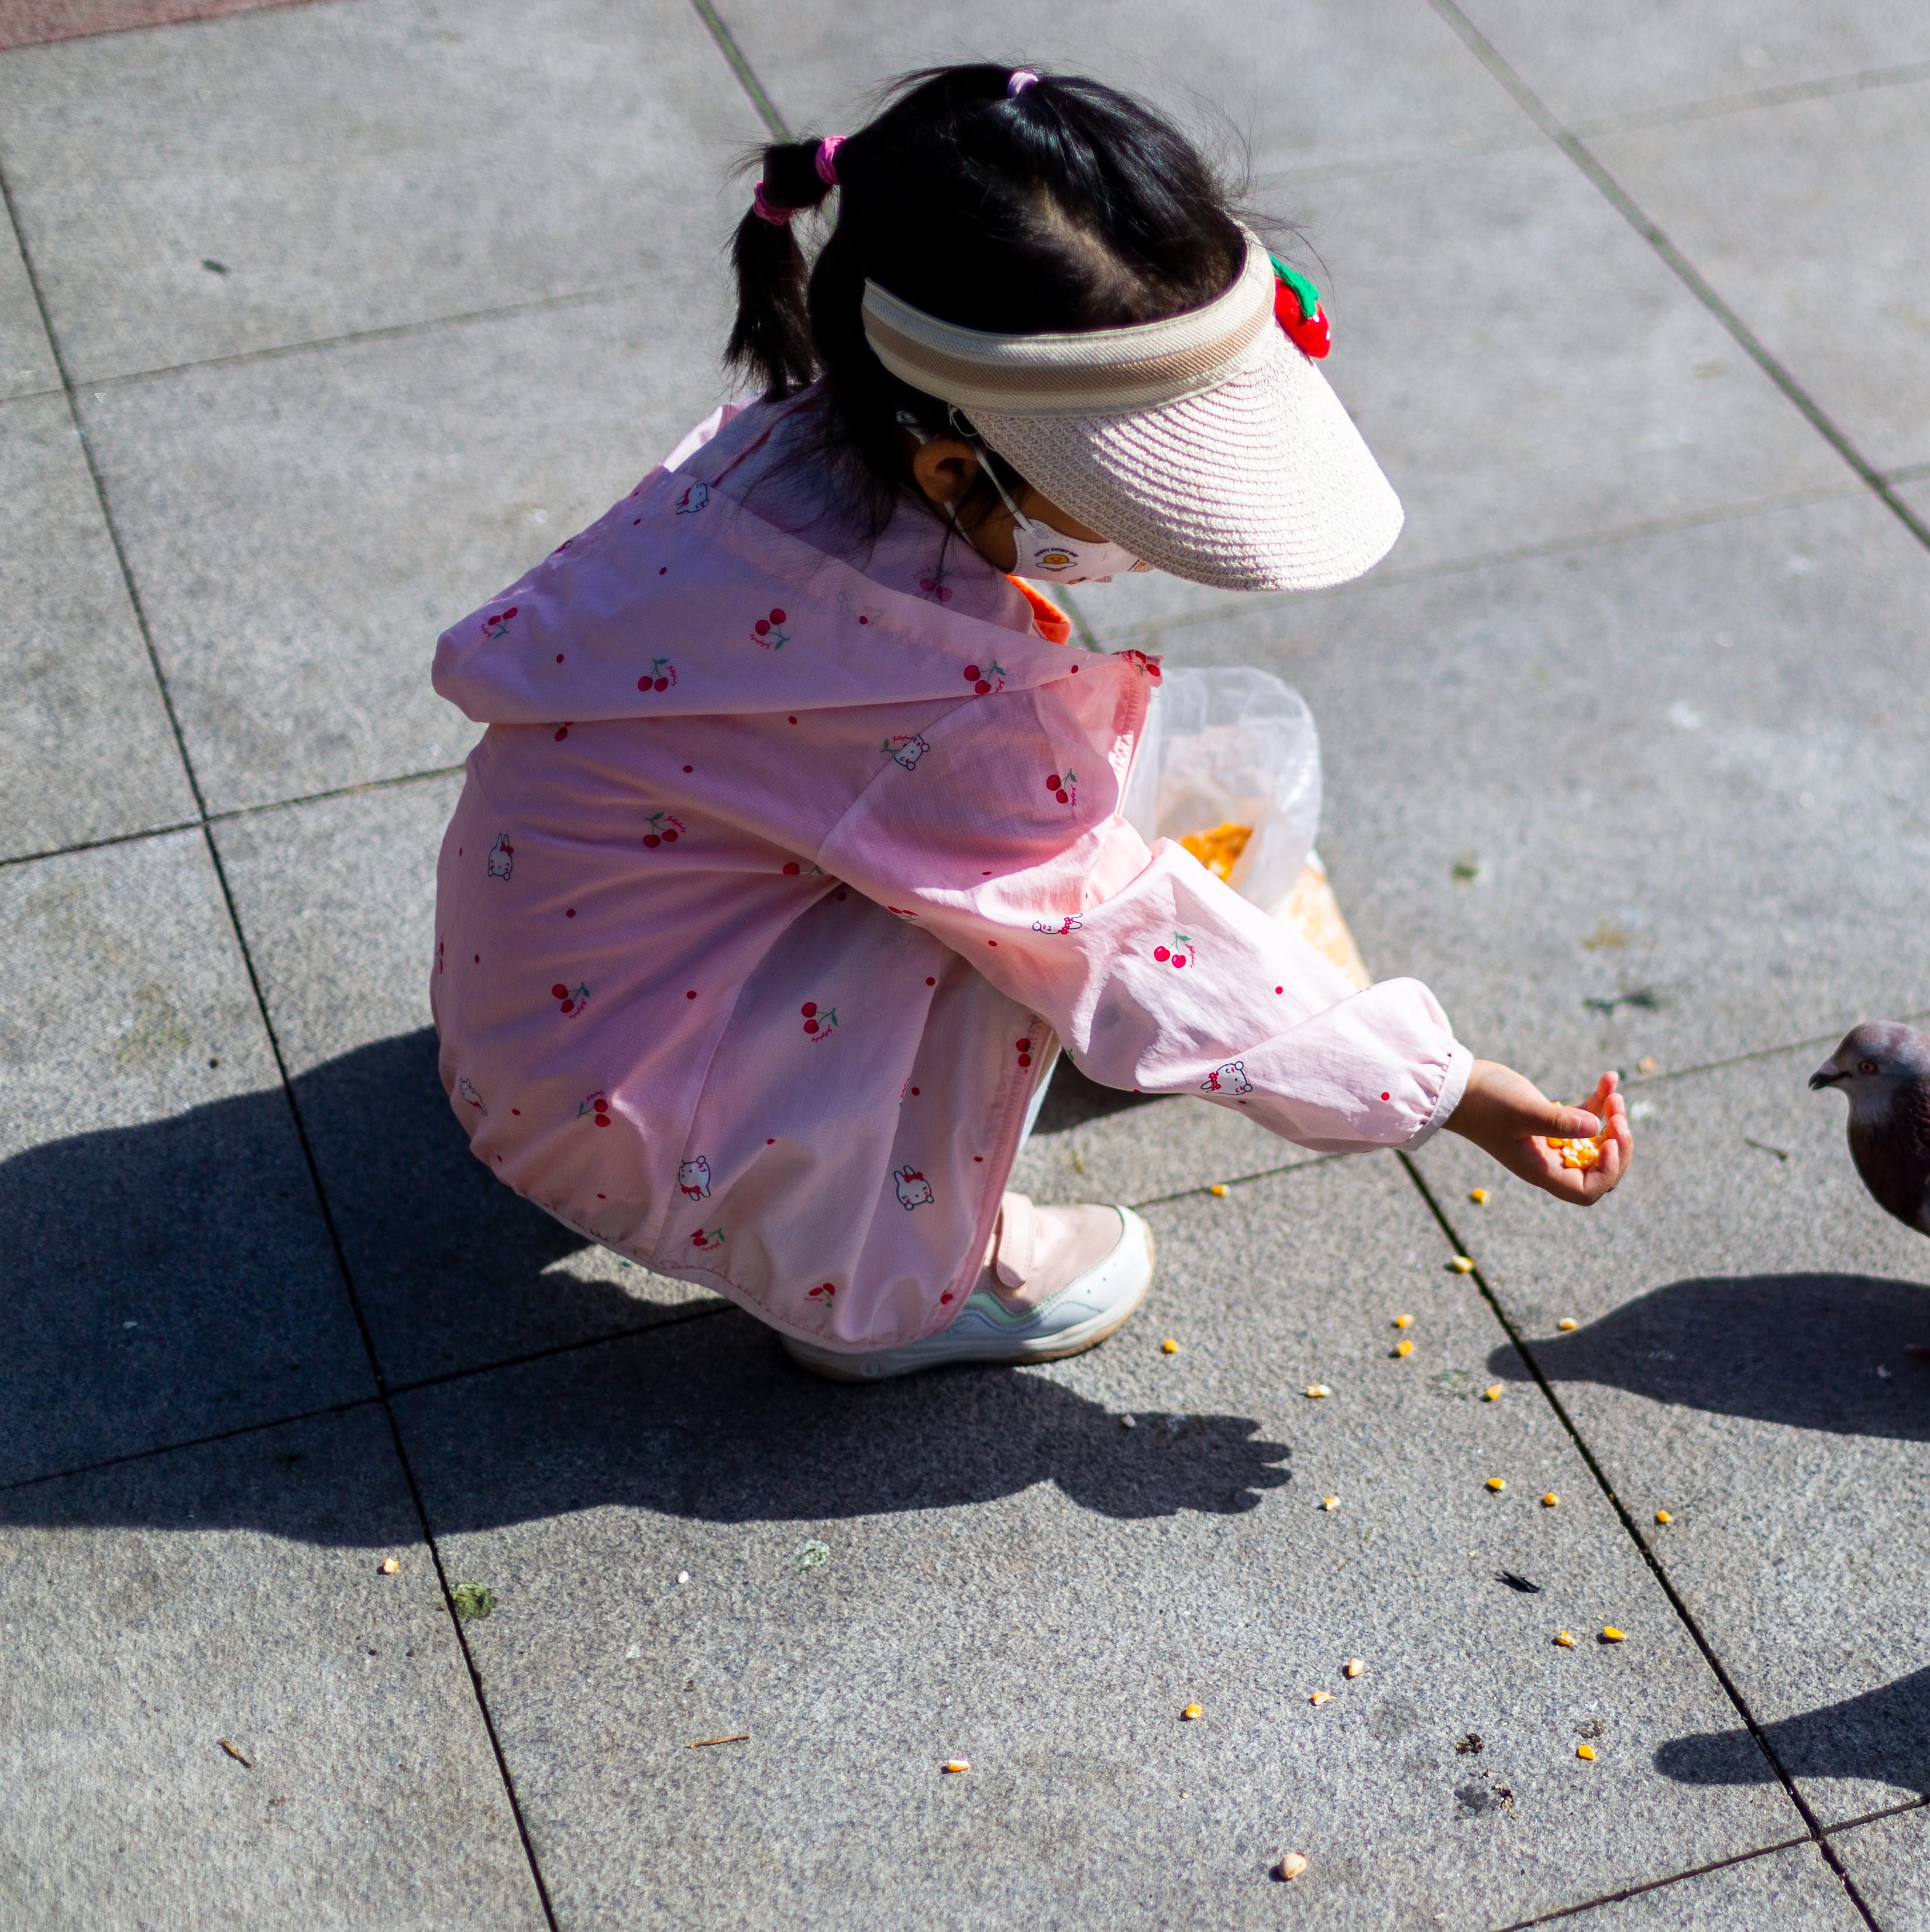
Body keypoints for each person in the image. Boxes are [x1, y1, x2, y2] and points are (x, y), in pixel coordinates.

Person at [427, 64, 1629, 1382]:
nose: (1150, 548)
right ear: (951, 465)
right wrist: (1447, 1087)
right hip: (620, 1107)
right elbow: (1114, 936)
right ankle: (873, 1281)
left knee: (1014, 854)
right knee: (1021, 931)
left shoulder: (788, 457)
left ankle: (795, 1119)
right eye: (1125, 510)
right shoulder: (931, 704)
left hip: (549, 1011)